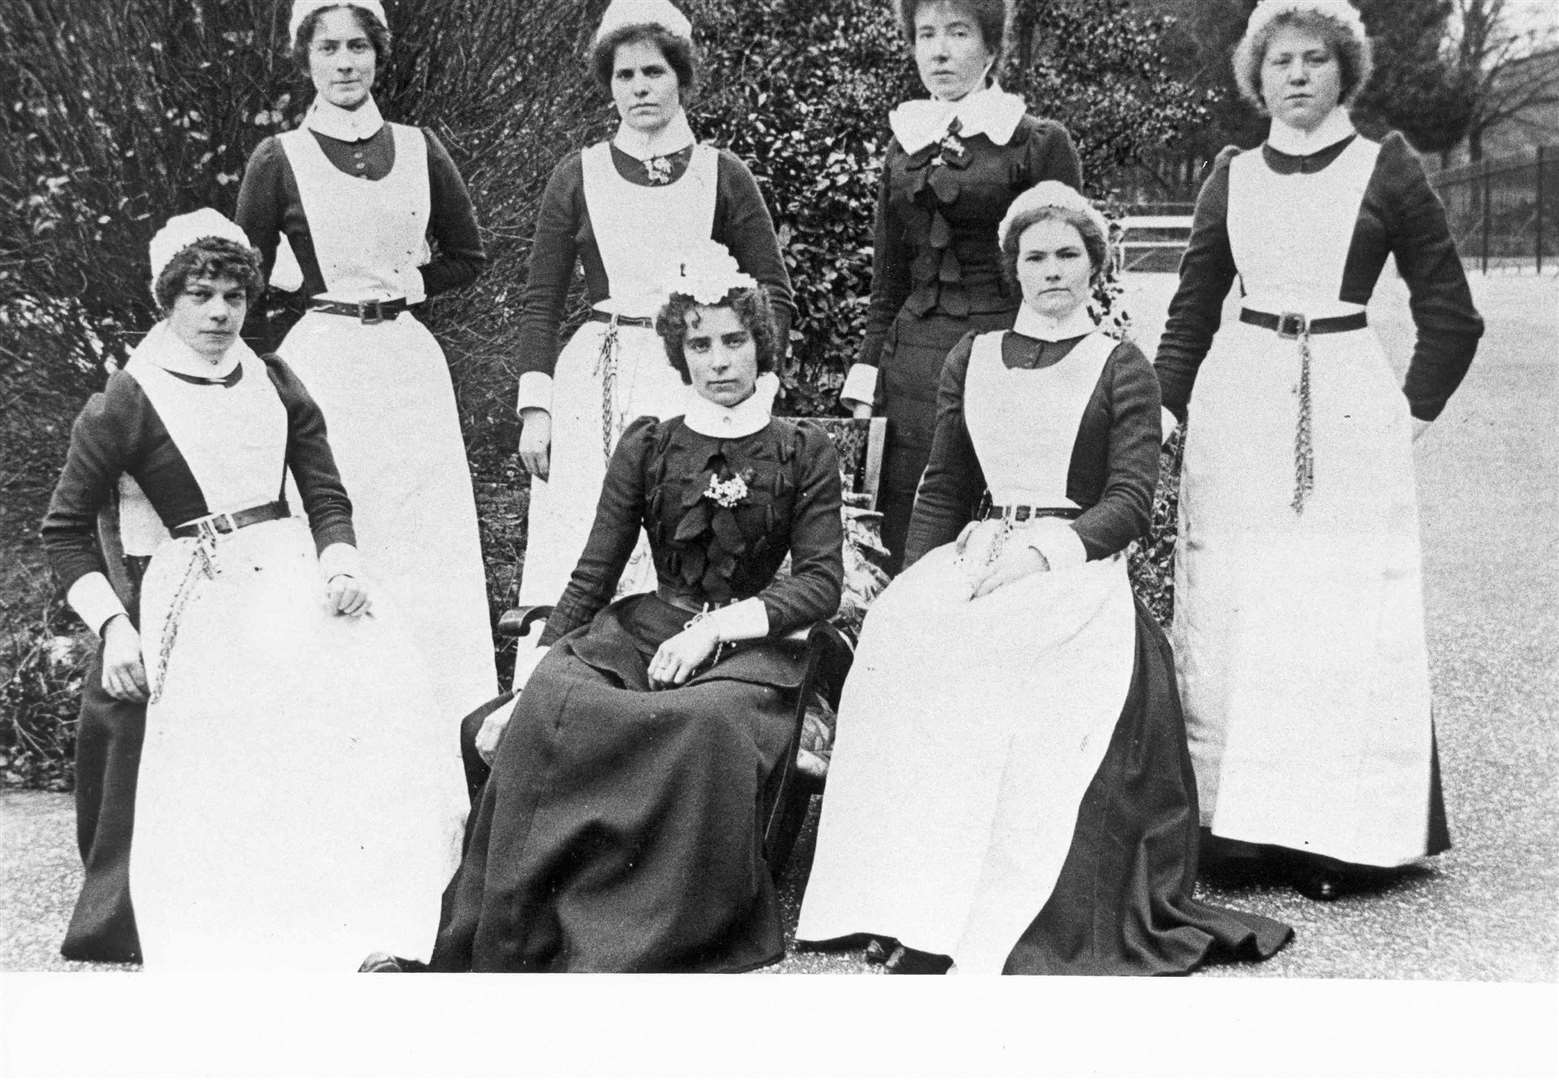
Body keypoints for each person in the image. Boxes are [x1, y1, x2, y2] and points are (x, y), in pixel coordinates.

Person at [796, 183, 1292, 974]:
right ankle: (899, 899)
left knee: (1004, 666)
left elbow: (1128, 501)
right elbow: (944, 483)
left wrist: (1043, 554)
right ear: (1013, 268)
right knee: (901, 641)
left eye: (1068, 255)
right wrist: (922, 577)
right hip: (981, 548)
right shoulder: (974, 355)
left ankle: (971, 913)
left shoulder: (1119, 365)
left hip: (1074, 566)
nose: (1051, 271)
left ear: (1095, 267)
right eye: (1035, 256)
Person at [40, 211, 466, 969]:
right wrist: (113, 626)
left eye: (233, 296)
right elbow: (64, 529)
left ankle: (371, 913)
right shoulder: (126, 400)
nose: (217, 313)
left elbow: (325, 492)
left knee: (383, 692)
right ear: (167, 301)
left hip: (289, 564)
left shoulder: (274, 376)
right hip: (194, 583)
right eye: (199, 295)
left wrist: (339, 562)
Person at [424, 247, 842, 973]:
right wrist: (526, 683)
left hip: (748, 647)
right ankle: (524, 926)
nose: (718, 360)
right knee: (558, 702)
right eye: (700, 344)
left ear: (759, 345)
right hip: (647, 623)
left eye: (734, 341)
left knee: (701, 724)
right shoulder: (650, 442)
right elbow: (595, 569)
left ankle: (638, 936)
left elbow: (820, 582)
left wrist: (719, 625)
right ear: (680, 355)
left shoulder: (800, 449)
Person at [1154, 0, 1482, 901]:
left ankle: (1340, 835)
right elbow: (1189, 313)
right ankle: (1239, 827)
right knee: (1239, 608)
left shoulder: (1388, 169)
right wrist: (1160, 418)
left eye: (1314, 60)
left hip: (1345, 406)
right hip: (1241, 404)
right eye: (1279, 62)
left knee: (1336, 614)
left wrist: (1400, 418)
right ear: (1254, 78)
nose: (1296, 76)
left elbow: (1451, 315)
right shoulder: (1229, 176)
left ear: (1344, 71)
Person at [235, 0, 495, 716]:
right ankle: (334, 719)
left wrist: (411, 283)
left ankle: (445, 719)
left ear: (378, 55)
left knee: (422, 538)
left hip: (408, 366)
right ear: (306, 59)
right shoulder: (276, 159)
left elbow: (468, 256)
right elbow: (239, 281)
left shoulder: (418, 147)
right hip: (323, 362)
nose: (344, 63)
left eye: (357, 47)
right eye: (328, 49)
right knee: (339, 527)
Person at [513, 0, 795, 632]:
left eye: (655, 72)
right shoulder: (577, 175)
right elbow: (542, 301)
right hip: (596, 377)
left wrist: (749, 385)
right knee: (586, 531)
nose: (639, 88)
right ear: (608, 86)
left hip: (690, 374)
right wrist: (537, 405)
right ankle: (564, 685)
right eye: (624, 75)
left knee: (685, 529)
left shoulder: (722, 175)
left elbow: (774, 294)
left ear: (682, 78)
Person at [838, 0, 1081, 573]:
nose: (939, 50)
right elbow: (888, 280)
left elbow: (1066, 281)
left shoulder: (1035, 143)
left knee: (994, 529)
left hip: (1006, 362)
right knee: (907, 524)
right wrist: (867, 373)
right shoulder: (906, 143)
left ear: (991, 47)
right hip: (912, 367)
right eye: (926, 34)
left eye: (957, 32)